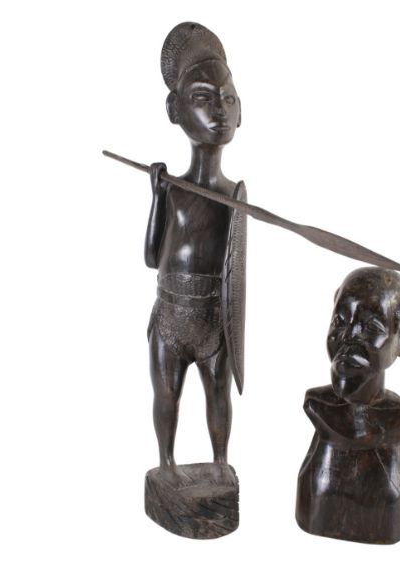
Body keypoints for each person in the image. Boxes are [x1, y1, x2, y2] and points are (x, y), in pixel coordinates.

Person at [144, 22, 244, 487]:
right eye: (203, 98)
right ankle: (166, 465)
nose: (219, 111)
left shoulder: (235, 198)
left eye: (228, 99)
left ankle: (220, 464)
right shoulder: (173, 190)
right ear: (175, 109)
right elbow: (151, 257)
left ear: (241, 113)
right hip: (170, 315)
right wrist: (156, 195)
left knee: (218, 394)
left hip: (213, 322)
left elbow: (235, 272)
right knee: (167, 396)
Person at [296, 267, 400, 544]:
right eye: (339, 322)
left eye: (371, 327)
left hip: (382, 525)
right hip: (314, 518)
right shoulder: (317, 405)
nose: (348, 338)